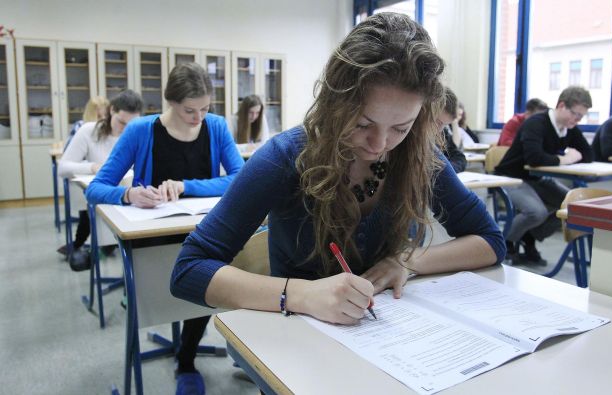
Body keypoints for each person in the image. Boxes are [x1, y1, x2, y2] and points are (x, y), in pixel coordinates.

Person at [171, 11, 503, 355]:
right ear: (335, 103)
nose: (379, 144)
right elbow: (188, 271)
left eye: (400, 128)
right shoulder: (285, 157)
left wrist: (405, 261)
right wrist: (300, 294)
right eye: (363, 124)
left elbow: (491, 241)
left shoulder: (419, 154)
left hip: (391, 341)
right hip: (299, 345)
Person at [85, 63, 245, 395]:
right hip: (150, 237)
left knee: (206, 286)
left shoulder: (215, 127)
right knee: (162, 295)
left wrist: (186, 186)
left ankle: (185, 358)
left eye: (205, 108)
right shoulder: (141, 130)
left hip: (203, 235)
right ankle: (183, 351)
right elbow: (96, 188)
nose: (199, 117)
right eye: (190, 110)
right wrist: (129, 194)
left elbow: (240, 179)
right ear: (169, 102)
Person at [494, 86, 594, 264]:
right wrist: (566, 159)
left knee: (575, 206)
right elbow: (534, 158)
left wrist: (568, 157)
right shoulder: (536, 123)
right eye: (575, 114)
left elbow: (588, 153)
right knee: (536, 212)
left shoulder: (568, 127)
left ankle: (527, 236)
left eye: (581, 116)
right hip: (511, 176)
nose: (577, 120)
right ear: (562, 106)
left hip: (536, 177)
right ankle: (504, 243)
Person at [57, 91, 142, 271]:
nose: (125, 129)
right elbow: (63, 168)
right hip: (102, 200)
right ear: (112, 110)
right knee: (105, 225)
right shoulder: (89, 131)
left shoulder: (139, 133)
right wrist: (93, 167)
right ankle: (96, 250)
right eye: (121, 122)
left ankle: (133, 286)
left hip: (133, 201)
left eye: (131, 124)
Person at [435, 88, 467, 173]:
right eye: (438, 122)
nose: (440, 129)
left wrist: (447, 169)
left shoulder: (442, 132)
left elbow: (459, 157)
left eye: (445, 124)